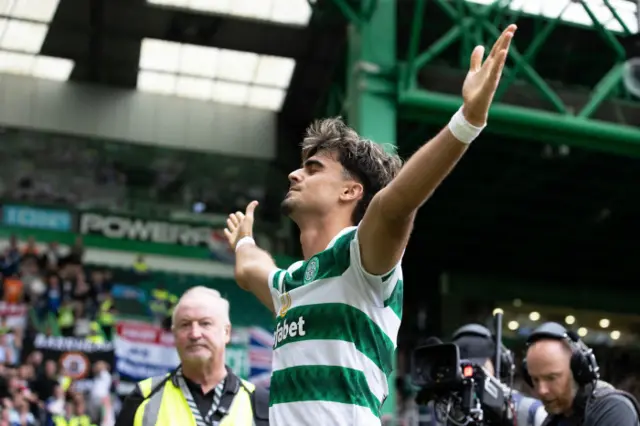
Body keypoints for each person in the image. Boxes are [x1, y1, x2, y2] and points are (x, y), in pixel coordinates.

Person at [223, 24, 518, 426]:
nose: (295, 174)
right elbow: (249, 269)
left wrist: (467, 121)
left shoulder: (359, 258)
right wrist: (244, 242)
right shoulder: (290, 284)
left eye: (313, 168)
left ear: (350, 192)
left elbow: (395, 206)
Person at [114, 287, 269, 426]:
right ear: (174, 335)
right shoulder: (143, 397)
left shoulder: (259, 403)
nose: (195, 334)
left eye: (205, 323)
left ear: (226, 332)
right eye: (185, 324)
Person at [421, 323, 547, 426]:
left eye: (480, 369)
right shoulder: (442, 411)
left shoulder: (530, 412)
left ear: (499, 365)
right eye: (463, 369)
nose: (472, 377)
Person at [523, 322, 640, 426]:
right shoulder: (556, 418)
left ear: (578, 371)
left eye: (551, 378)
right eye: (535, 380)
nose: (542, 390)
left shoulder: (614, 409)